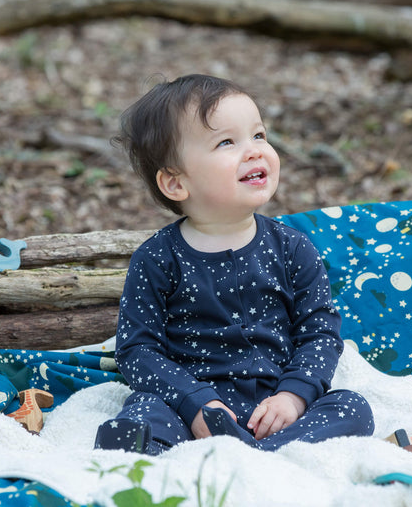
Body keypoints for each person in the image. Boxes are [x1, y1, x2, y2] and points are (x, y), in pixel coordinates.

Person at [94, 74, 374, 454]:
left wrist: (293, 396)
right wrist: (193, 401)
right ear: (175, 183)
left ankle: (262, 454)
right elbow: (137, 350)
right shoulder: (157, 258)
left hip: (274, 409)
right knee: (142, 415)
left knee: (353, 408)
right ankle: (147, 460)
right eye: (227, 142)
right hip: (191, 412)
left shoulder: (293, 248)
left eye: (258, 135)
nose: (254, 151)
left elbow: (319, 332)